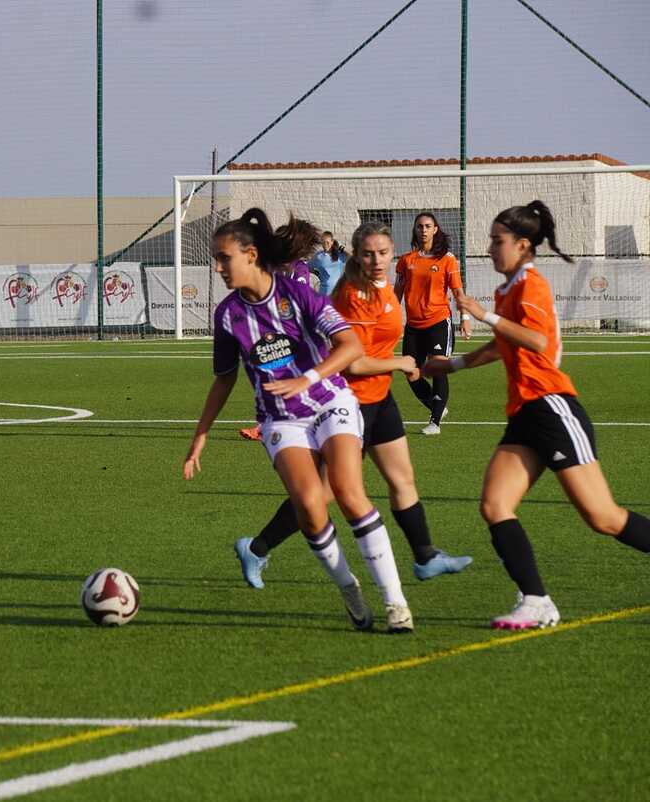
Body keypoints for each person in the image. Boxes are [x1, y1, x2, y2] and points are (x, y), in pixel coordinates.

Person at [184, 207, 414, 633]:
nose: (217, 267)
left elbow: (348, 346)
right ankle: (349, 588)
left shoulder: (297, 294)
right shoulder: (227, 315)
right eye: (216, 259)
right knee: (309, 506)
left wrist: (306, 378)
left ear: (250, 255)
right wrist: (200, 435)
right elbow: (223, 380)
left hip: (330, 402)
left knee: (347, 491)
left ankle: (396, 604)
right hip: (280, 419)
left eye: (223, 258)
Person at [424, 201, 650, 629]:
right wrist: (453, 365)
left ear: (523, 245)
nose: (489, 248)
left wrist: (483, 315)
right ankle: (536, 600)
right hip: (525, 413)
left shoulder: (532, 284)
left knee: (603, 517)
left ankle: (536, 599)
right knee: (495, 504)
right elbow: (504, 345)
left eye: (497, 241)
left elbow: (537, 342)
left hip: (552, 407)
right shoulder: (507, 289)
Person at [233, 221, 472, 589]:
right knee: (323, 494)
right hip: (349, 403)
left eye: (383, 253)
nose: (377, 260)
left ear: (393, 253)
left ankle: (425, 556)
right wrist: (401, 363)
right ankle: (258, 548)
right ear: (356, 255)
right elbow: (353, 362)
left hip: (380, 398)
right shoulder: (352, 297)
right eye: (368, 253)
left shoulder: (387, 290)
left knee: (402, 479)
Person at [238, 217, 322, 442]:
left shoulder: (300, 271)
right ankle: (268, 424)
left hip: (297, 337)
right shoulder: (272, 268)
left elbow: (298, 305)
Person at [394, 212, 472, 436]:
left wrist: (465, 318)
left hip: (438, 321)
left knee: (437, 367)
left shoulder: (447, 259)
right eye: (420, 226)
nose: (424, 230)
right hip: (413, 326)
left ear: (435, 229)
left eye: (428, 226)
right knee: (410, 371)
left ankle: (435, 422)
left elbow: (458, 291)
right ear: (415, 230)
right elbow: (396, 293)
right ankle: (437, 406)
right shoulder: (406, 260)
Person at [310, 231, 348, 296]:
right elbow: (307, 267)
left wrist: (341, 248)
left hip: (338, 294)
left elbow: (354, 257)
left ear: (332, 242)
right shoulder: (318, 256)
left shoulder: (340, 255)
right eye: (323, 242)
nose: (325, 245)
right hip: (324, 294)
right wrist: (316, 273)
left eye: (327, 242)